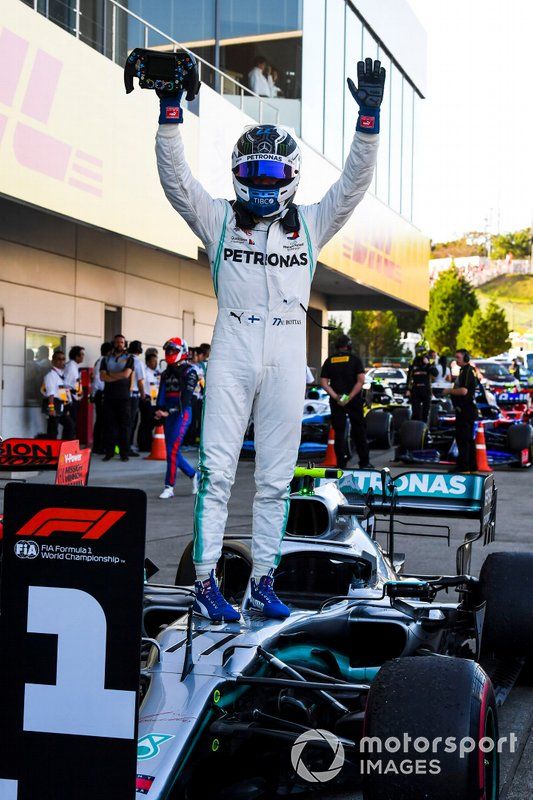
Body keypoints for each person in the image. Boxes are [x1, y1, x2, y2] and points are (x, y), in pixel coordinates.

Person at [155, 56, 384, 621]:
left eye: (272, 174)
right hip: (232, 349)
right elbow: (176, 179)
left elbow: (353, 184)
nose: (262, 184)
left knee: (277, 480)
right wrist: (170, 112)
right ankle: (204, 581)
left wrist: (368, 123)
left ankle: (263, 581)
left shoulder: (312, 224)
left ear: (291, 177)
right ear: (238, 174)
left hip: (286, 354)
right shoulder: (217, 219)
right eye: (253, 173)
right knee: (216, 473)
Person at [320, 335, 373, 469]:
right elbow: (361, 380)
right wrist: (349, 397)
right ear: (349, 346)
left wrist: (337, 397)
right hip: (353, 400)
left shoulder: (329, 360)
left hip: (336, 401)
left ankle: (341, 463)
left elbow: (324, 383)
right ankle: (364, 462)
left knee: (339, 432)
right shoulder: (355, 360)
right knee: (359, 430)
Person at [156, 338, 199, 498]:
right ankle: (194, 475)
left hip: (182, 413)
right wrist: (159, 410)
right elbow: (161, 395)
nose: (169, 353)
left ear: (182, 351)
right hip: (168, 414)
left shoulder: (190, 371)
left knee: (172, 450)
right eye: (168, 351)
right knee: (171, 451)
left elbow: (186, 398)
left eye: (173, 350)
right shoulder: (166, 373)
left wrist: (170, 411)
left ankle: (169, 487)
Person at [100, 334, 134, 461]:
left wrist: (110, 374)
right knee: (109, 426)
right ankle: (109, 453)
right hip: (109, 396)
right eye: (117, 342)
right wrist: (117, 376)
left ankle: (124, 454)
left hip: (123, 397)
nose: (119, 344)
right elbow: (102, 377)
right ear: (113, 343)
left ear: (125, 344)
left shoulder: (129, 358)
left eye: (121, 342)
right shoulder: (106, 359)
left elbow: (126, 375)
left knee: (124, 426)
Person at [444, 348, 478, 472]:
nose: (456, 360)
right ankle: (472, 467)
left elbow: (464, 391)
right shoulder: (465, 371)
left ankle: (464, 467)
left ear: (466, 358)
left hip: (465, 410)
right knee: (468, 439)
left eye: (458, 357)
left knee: (463, 439)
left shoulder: (467, 371)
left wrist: (449, 391)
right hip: (465, 410)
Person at [41, 350, 75, 440]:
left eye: (63, 359)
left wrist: (66, 406)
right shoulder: (51, 375)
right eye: (59, 359)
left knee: (70, 425)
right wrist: (51, 408)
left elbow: (62, 391)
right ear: (53, 361)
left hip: (61, 405)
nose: (62, 361)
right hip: (53, 404)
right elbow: (51, 394)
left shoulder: (60, 375)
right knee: (53, 430)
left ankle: (64, 446)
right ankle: (51, 447)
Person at [406, 345, 438, 422]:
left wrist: (428, 364)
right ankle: (415, 427)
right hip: (415, 390)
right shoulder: (413, 362)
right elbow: (409, 377)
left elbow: (435, 373)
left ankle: (425, 427)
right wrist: (408, 389)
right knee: (416, 413)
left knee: (425, 413)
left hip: (426, 389)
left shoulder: (430, 361)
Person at [91, 342, 112, 454]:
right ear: (109, 352)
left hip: (101, 393)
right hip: (102, 393)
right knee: (101, 421)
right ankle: (98, 446)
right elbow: (98, 380)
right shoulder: (102, 362)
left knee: (103, 420)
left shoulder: (101, 361)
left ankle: (100, 445)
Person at [138, 348, 161, 451]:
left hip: (154, 399)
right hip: (146, 399)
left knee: (151, 423)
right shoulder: (145, 372)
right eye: (153, 361)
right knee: (145, 423)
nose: (155, 363)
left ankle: (149, 443)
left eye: (156, 361)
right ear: (147, 362)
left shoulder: (157, 372)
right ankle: (143, 445)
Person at [127, 340, 146, 456]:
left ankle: (119, 446)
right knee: (131, 422)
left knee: (123, 421)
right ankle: (128, 446)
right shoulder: (138, 362)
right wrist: (143, 394)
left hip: (122, 395)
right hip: (133, 395)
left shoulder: (124, 359)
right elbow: (140, 381)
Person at [63, 345, 85, 425]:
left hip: (74, 397)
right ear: (76, 356)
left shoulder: (74, 366)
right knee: (71, 424)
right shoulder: (71, 367)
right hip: (70, 399)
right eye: (82, 354)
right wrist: (67, 403)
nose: (83, 356)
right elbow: (65, 384)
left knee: (73, 422)